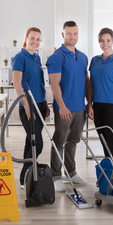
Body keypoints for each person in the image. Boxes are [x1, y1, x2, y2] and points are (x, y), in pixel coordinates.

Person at [46, 21, 90, 192]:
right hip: (64, 109)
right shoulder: (56, 57)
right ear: (63, 35)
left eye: (75, 33)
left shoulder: (83, 57)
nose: (72, 37)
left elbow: (86, 83)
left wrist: (89, 104)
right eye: (69, 33)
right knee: (59, 141)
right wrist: (62, 107)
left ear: (78, 35)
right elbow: (54, 84)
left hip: (80, 108)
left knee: (74, 141)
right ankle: (55, 175)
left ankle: (71, 172)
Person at [12, 27, 50, 189]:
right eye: (32, 38)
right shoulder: (20, 58)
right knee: (38, 143)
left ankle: (25, 178)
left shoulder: (36, 58)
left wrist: (46, 104)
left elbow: (40, 84)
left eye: (38, 39)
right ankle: (25, 175)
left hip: (40, 104)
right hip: (29, 106)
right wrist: (27, 107)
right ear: (26, 38)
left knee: (31, 142)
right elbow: (17, 85)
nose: (35, 42)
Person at [87, 28, 113, 159]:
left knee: (112, 142)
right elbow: (91, 84)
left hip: (112, 107)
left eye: (108, 40)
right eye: (102, 40)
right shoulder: (94, 60)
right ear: (99, 42)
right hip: (97, 106)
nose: (105, 43)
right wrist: (90, 105)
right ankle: (110, 173)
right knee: (103, 141)